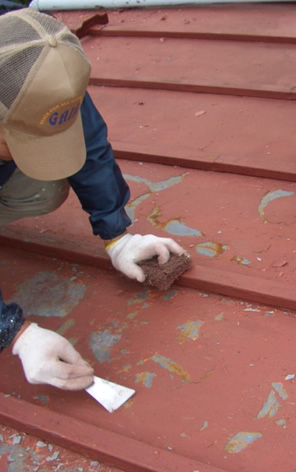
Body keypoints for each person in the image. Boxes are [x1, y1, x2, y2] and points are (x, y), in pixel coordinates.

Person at [0, 9, 186, 390]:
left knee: (43, 186)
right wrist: (14, 333)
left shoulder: (32, 66)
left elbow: (88, 142)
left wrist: (117, 235)